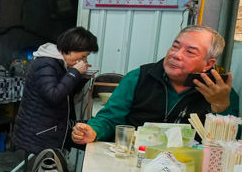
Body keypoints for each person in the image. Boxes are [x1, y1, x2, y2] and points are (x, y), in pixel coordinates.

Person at [71, 25, 238, 144]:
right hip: (132, 162)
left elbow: (229, 144)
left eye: (190, 52)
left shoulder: (223, 94)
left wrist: (220, 106)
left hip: (190, 171)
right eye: (175, 46)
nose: (176, 55)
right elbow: (109, 118)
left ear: (208, 64)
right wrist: (93, 130)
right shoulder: (138, 77)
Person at [12, 27, 98, 155]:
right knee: (46, 166)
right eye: (83, 56)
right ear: (71, 49)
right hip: (39, 132)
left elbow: (66, 93)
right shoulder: (46, 63)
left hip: (52, 127)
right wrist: (74, 72)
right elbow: (53, 96)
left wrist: (81, 77)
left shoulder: (61, 63)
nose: (84, 61)